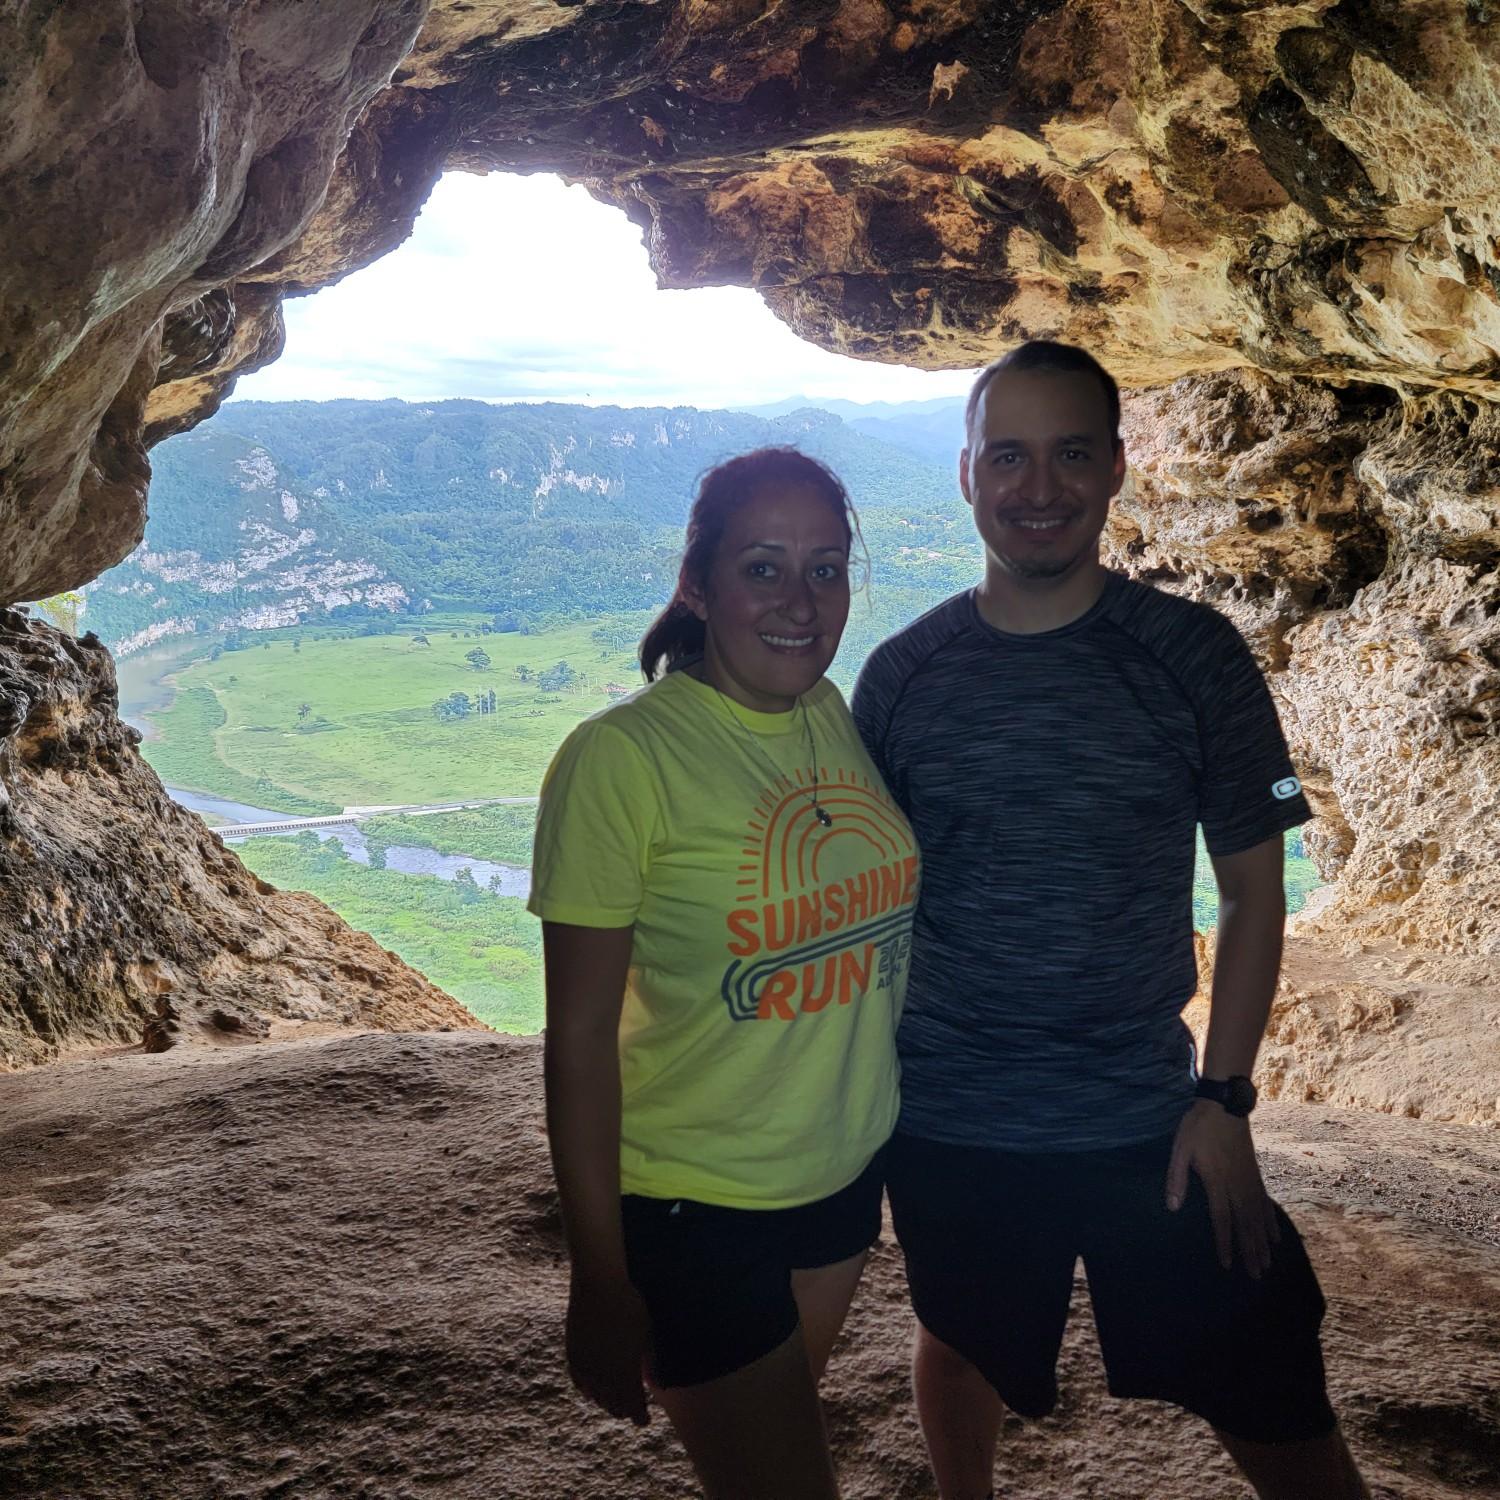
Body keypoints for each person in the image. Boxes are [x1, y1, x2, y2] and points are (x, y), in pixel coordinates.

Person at [852, 342, 1370, 1500]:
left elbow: (1251, 888)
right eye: (1011, 456)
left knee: (1262, 1357)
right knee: (962, 1331)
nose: (1040, 488)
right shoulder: (902, 676)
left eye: (1071, 453)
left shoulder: (1195, 657)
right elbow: (861, 907)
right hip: (950, 1116)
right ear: (968, 475)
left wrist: (1224, 1100)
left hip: (1148, 1112)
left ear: (1119, 468)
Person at [530, 447, 919, 1500]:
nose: (801, 602)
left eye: (827, 569)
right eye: (763, 568)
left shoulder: (828, 713)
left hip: (839, 1183)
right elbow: (577, 1043)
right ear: (698, 585)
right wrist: (598, 1277)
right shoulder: (621, 761)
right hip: (694, 1210)